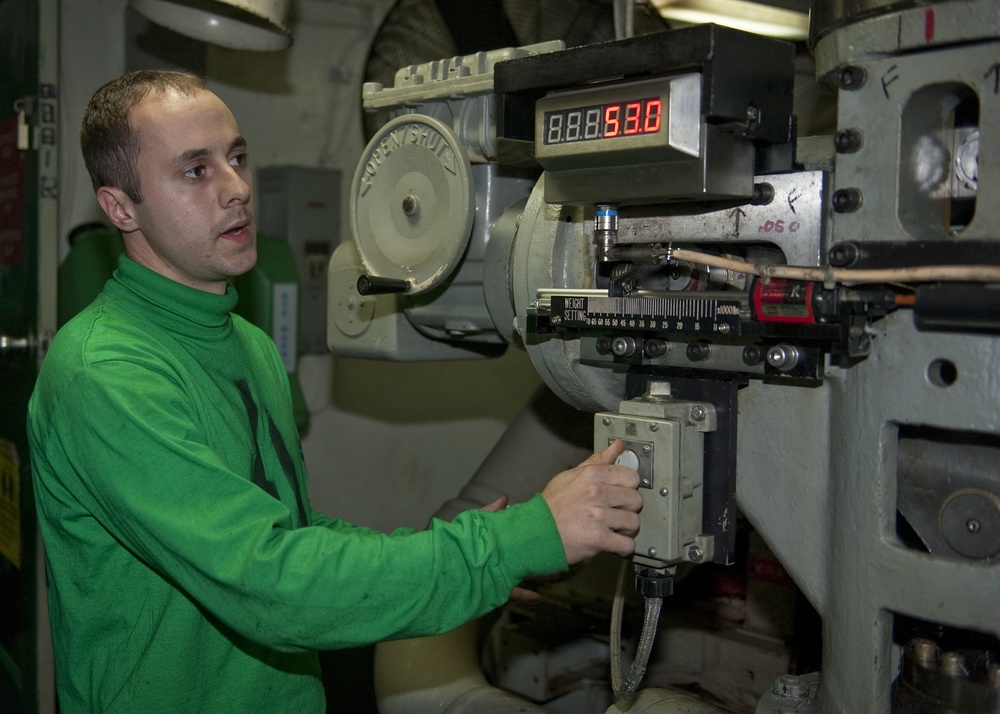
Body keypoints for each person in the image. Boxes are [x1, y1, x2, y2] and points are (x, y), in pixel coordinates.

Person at [27, 69, 642, 713]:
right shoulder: (104, 371)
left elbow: (292, 531)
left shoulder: (248, 344)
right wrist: (516, 542)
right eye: (194, 171)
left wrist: (467, 563)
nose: (236, 189)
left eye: (236, 158)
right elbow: (270, 582)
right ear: (120, 206)